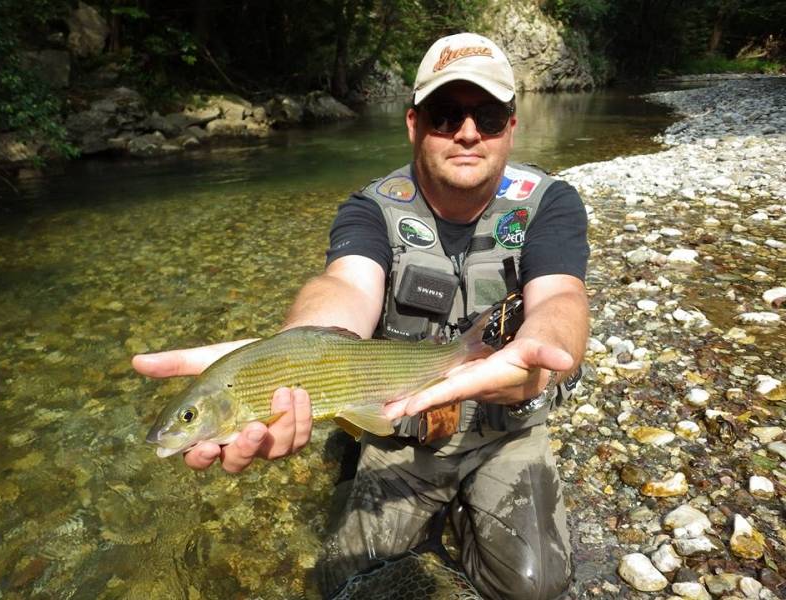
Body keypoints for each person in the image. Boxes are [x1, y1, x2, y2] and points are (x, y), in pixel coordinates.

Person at [133, 32, 589, 600]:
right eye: (446, 115)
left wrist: (542, 352)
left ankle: (461, 524)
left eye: (489, 116)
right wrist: (292, 348)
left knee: (536, 588)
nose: (468, 132)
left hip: (507, 432)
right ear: (413, 124)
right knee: (347, 581)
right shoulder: (371, 208)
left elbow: (561, 299)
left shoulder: (549, 202)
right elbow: (344, 285)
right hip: (400, 434)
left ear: (511, 127)